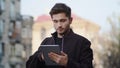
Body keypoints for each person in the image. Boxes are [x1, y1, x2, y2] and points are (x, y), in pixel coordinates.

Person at [26, 3, 93, 68]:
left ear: (70, 20)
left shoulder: (83, 43)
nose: (59, 25)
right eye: (55, 21)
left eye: (63, 21)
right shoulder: (46, 42)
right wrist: (40, 57)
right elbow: (28, 65)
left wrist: (67, 63)